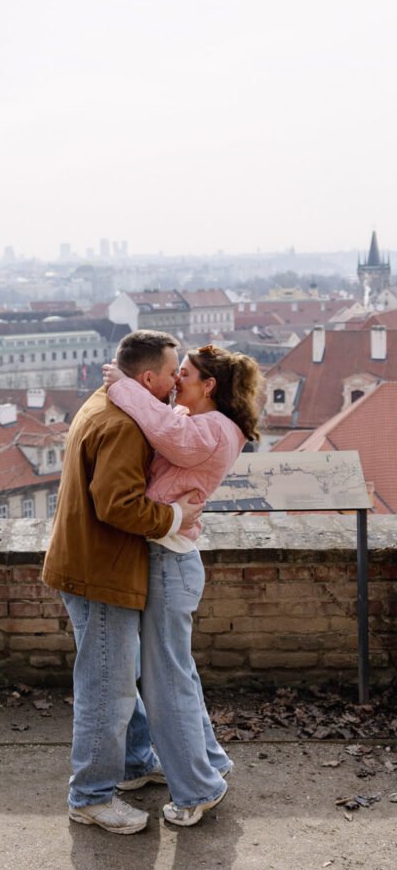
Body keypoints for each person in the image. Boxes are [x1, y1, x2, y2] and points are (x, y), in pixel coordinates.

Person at [41, 330, 204, 835]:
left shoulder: (105, 402)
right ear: (148, 378)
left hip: (88, 563)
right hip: (101, 572)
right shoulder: (125, 425)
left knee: (117, 675)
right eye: (172, 373)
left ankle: (133, 763)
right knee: (107, 687)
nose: (177, 382)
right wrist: (176, 516)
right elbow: (118, 506)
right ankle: (90, 796)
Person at [102, 342, 263, 827]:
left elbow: (166, 432)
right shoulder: (205, 423)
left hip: (169, 563)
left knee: (166, 682)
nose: (176, 382)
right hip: (168, 558)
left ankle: (198, 789)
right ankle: (208, 762)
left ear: (209, 385)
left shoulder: (212, 429)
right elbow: (168, 424)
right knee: (175, 673)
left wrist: (124, 386)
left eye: (185, 374)